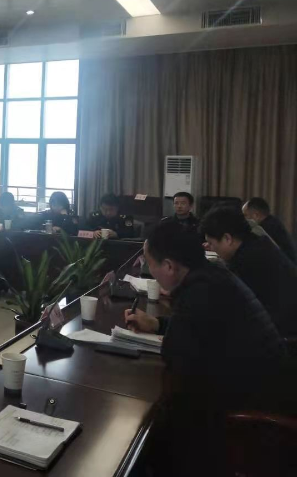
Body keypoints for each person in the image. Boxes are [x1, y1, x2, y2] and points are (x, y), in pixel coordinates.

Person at [126, 221, 286, 476]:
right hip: (265, 383)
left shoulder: (200, 292)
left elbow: (176, 356)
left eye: (150, 263)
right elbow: (202, 330)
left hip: (250, 411)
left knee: (152, 428)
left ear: (169, 266)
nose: (149, 270)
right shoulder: (211, 274)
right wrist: (157, 324)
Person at [201, 205, 297, 337]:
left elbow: (229, 302)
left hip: (281, 332)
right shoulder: (256, 243)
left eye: (211, 243)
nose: (210, 247)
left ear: (227, 239)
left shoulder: (247, 260)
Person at [243, 197, 297, 263]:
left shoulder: (267, 228)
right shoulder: (272, 222)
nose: (243, 219)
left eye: (245, 215)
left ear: (256, 215)